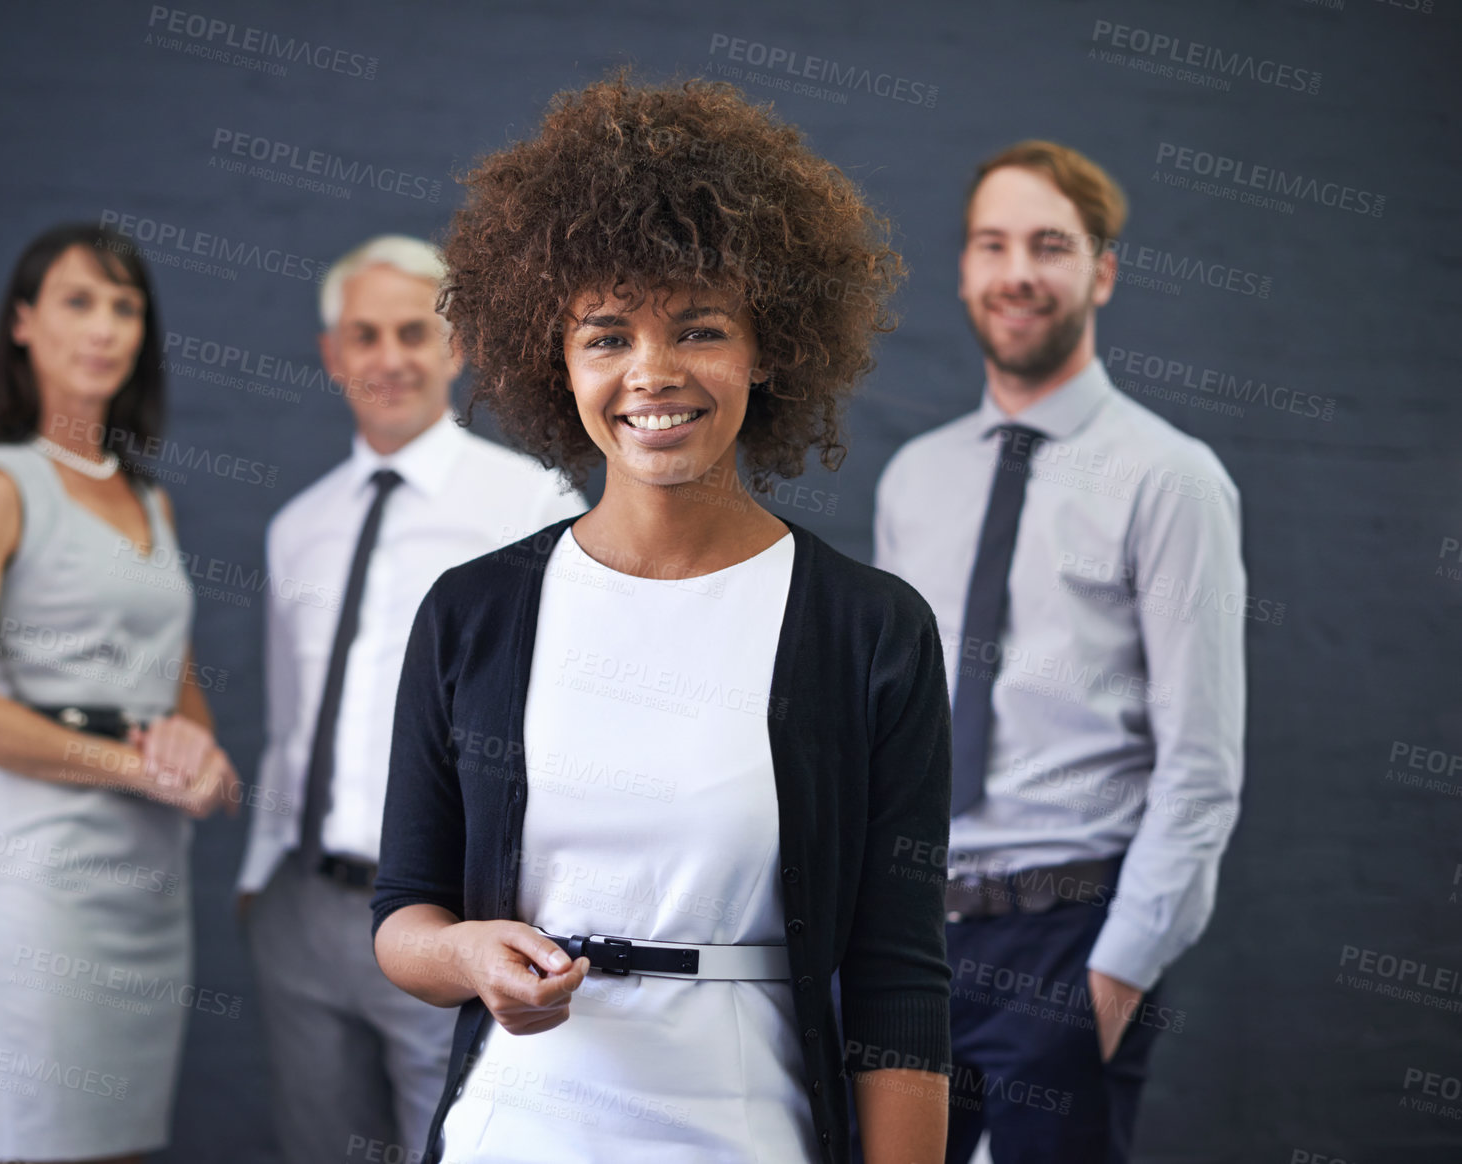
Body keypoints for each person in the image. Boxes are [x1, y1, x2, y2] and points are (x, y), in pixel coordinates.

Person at [370, 76, 954, 1164]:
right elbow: (404, 915)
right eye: (605, 335)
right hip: (516, 1130)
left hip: (747, 1132)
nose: (651, 374)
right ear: (557, 357)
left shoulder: (868, 631)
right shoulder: (473, 615)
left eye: (698, 328)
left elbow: (899, 981)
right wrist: (468, 960)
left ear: (767, 345)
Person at [873, 141, 1247, 1163]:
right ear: (962, 271)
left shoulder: (1167, 478)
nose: (1017, 273)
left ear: (1101, 272)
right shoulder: (914, 479)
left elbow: (1201, 765)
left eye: (1049, 245)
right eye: (991, 245)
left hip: (1067, 933)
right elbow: (891, 725)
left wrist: (1115, 975)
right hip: (911, 940)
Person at [235, 234, 584, 1164]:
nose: (388, 358)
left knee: (458, 1146)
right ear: (333, 355)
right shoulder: (296, 526)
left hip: (444, 913)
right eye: (364, 335)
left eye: (411, 333)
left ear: (454, 347)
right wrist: (258, 871)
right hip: (303, 903)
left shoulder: (528, 503)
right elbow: (289, 713)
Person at [0, 222, 242, 1164]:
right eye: (77, 301)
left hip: (149, 870)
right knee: (53, 1143)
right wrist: (134, 771)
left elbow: (176, 695)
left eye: (124, 306)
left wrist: (200, 759)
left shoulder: (151, 502)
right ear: (22, 323)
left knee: (127, 1143)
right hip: (44, 870)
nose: (104, 327)